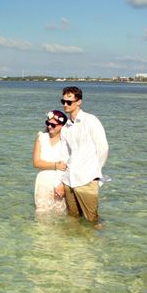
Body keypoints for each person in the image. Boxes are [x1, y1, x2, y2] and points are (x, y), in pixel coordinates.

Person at [55, 86, 109, 223]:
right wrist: (61, 181)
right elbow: (65, 155)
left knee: (93, 221)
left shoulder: (90, 120)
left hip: (87, 179)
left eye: (69, 102)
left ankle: (97, 244)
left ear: (79, 102)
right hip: (69, 180)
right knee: (73, 220)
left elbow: (103, 148)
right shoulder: (66, 127)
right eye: (63, 101)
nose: (65, 105)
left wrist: (96, 173)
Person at [32, 110, 68, 216]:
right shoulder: (41, 137)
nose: (50, 127)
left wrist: (62, 185)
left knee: (60, 215)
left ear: (62, 126)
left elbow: (69, 166)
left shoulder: (66, 140)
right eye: (48, 123)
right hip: (43, 182)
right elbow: (36, 163)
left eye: (53, 124)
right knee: (41, 215)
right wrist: (56, 165)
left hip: (60, 182)